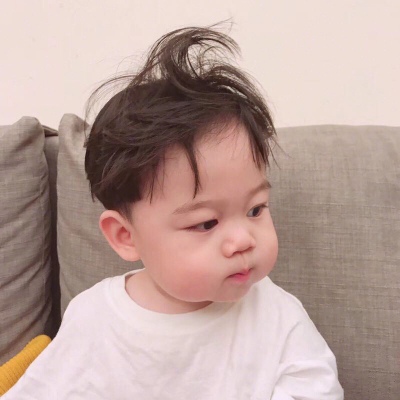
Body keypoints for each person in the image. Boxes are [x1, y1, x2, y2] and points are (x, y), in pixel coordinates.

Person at [4, 25, 344, 399]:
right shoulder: (96, 318)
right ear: (126, 236)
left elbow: (316, 388)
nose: (243, 240)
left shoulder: (275, 312)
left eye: (255, 209)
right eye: (206, 223)